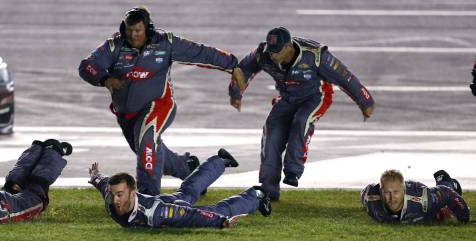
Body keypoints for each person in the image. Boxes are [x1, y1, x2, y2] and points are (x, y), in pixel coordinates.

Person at [79, 7, 245, 195]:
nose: (133, 35)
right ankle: (188, 168)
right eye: (129, 30)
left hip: (158, 104)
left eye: (138, 30)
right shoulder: (113, 46)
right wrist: (105, 79)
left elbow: (200, 53)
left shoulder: (166, 43)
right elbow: (86, 66)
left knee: (146, 141)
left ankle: (148, 198)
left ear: (148, 29)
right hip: (126, 114)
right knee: (149, 153)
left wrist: (233, 65)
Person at [229, 27, 375, 201]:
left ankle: (293, 171)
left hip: (316, 97)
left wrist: (365, 102)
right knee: (271, 132)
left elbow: (345, 77)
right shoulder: (264, 53)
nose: (273, 55)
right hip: (287, 98)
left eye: (277, 51)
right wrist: (236, 93)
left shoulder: (316, 56)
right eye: (271, 50)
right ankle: (269, 189)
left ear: (289, 46)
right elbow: (244, 68)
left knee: (302, 120)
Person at [89, 148, 272, 229]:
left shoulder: (156, 212)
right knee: (188, 191)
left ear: (132, 192)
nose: (115, 200)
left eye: (120, 195)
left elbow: (191, 216)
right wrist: (95, 175)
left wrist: (220, 222)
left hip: (167, 205)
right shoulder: (110, 198)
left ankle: (256, 195)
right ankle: (219, 160)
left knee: (216, 210)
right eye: (113, 195)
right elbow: (103, 183)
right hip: (165, 201)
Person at [361, 169, 470, 224]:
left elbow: (447, 193)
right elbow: (363, 195)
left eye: (396, 192)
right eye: (387, 192)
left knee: (443, 213)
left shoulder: (422, 197)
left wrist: (464, 218)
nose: (391, 197)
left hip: (426, 199)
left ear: (403, 190)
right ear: (381, 191)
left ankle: (446, 180)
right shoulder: (371, 197)